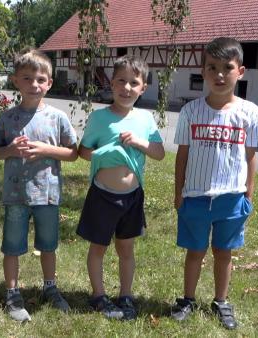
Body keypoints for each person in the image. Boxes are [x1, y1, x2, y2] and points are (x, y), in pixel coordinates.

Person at [171, 37, 258, 330]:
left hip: (232, 198)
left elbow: (250, 156)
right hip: (196, 196)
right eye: (212, 67)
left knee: (224, 252)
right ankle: (187, 299)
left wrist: (248, 194)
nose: (220, 74)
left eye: (227, 67)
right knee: (195, 251)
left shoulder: (250, 112)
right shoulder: (190, 111)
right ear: (203, 71)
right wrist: (178, 193)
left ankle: (221, 301)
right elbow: (182, 156)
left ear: (241, 71)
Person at [0, 49, 78, 322]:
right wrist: (11, 150)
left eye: (41, 79)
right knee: (12, 246)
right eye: (27, 79)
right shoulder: (7, 118)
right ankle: (12, 293)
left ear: (49, 83)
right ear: (16, 81)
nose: (34, 84)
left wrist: (45, 150)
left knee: (48, 245)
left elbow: (73, 153)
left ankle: (50, 288)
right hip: (15, 195)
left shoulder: (58, 117)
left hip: (48, 194)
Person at [76, 55, 165, 320]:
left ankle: (126, 295)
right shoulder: (99, 118)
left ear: (143, 88)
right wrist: (107, 151)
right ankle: (98, 295)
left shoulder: (146, 119)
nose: (127, 88)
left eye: (133, 83)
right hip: (103, 195)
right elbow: (84, 151)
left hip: (132, 197)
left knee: (126, 249)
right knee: (98, 248)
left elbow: (159, 153)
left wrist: (139, 142)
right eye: (121, 81)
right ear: (112, 84)